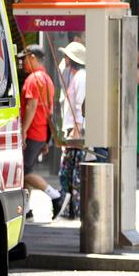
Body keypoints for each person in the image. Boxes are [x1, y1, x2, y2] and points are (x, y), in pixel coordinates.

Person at [18, 44, 64, 217]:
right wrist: (46, 139)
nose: (22, 62)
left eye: (24, 58)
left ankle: (56, 196)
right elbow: (49, 110)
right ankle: (27, 209)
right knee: (26, 170)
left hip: (32, 132)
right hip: (41, 132)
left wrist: (23, 131)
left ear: (32, 57)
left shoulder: (33, 79)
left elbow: (31, 106)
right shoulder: (47, 79)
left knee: (25, 172)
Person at [56, 41, 87, 219]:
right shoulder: (75, 75)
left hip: (76, 130)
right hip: (72, 129)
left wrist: (77, 130)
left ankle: (74, 209)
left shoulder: (81, 77)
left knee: (72, 173)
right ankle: (71, 209)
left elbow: (80, 106)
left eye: (67, 56)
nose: (64, 58)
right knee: (67, 173)